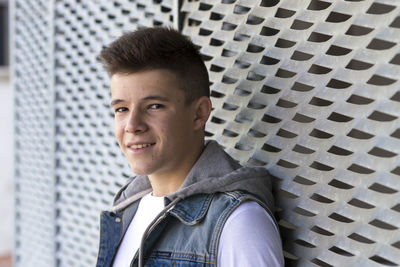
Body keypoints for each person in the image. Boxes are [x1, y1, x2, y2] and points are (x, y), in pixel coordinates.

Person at [96, 27, 284, 267]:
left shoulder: (238, 222)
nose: (132, 126)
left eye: (154, 106)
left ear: (199, 113)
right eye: (122, 109)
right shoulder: (125, 210)